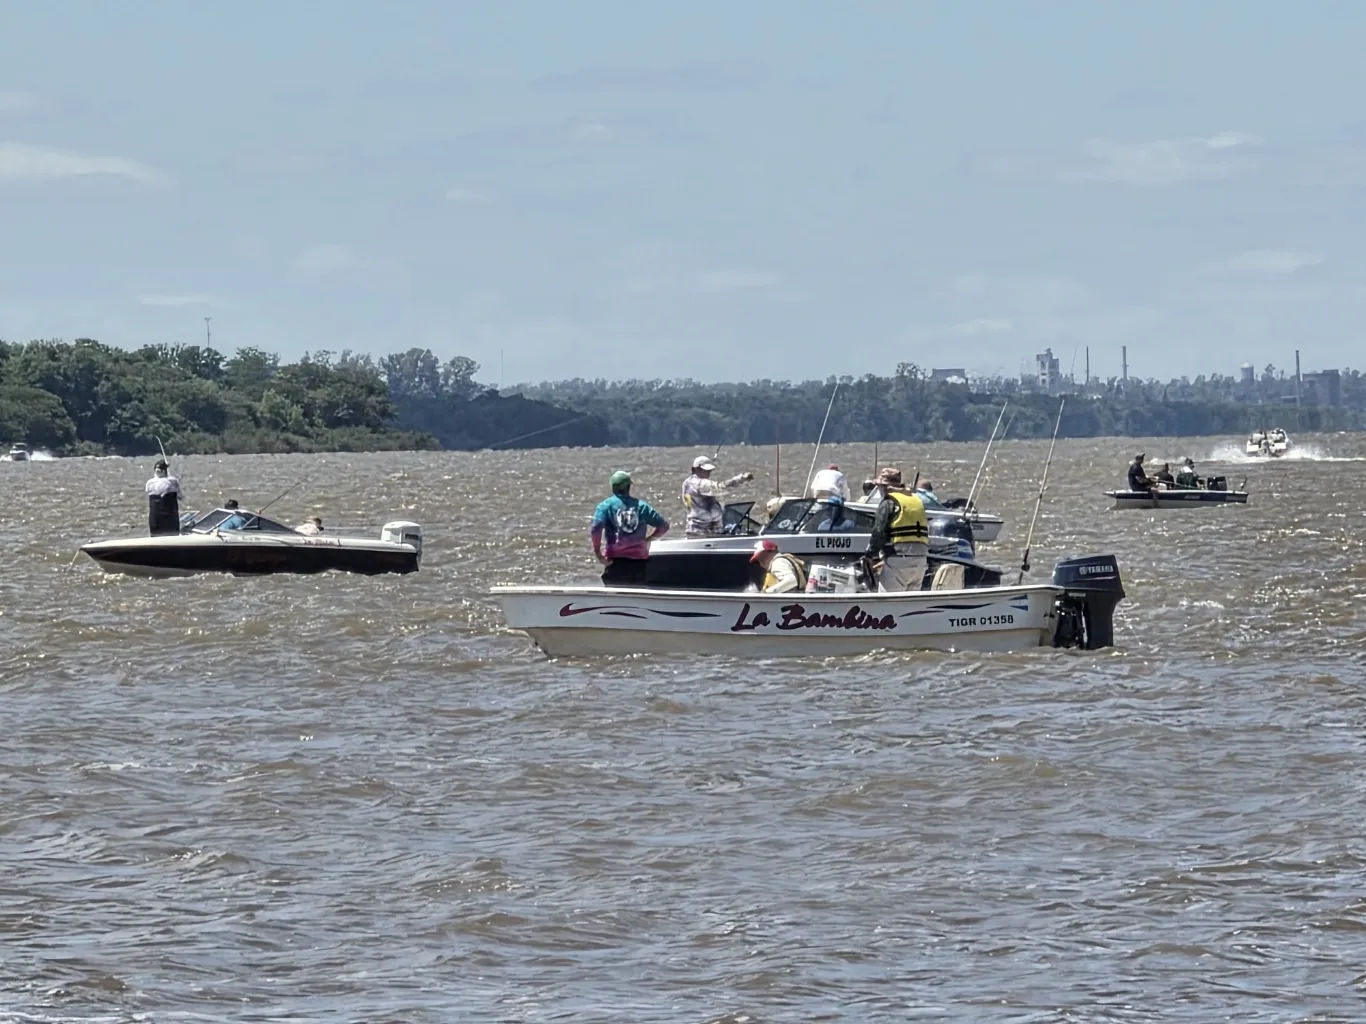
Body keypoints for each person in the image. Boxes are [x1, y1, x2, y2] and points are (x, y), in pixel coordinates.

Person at [592, 470, 669, 586]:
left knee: (615, 599)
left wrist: (598, 552)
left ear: (613, 487)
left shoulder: (605, 506)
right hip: (639, 561)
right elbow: (663, 526)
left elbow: (596, 528)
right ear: (628, 487)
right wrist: (649, 539)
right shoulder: (642, 506)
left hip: (615, 560)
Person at [864, 466, 929, 592]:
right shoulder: (916, 500)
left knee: (888, 604)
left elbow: (879, 532)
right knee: (910, 606)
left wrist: (870, 555)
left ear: (885, 487)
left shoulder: (889, 502)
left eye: (879, 486)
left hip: (899, 562)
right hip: (921, 561)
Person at [681, 455, 754, 537]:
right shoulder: (697, 483)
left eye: (709, 470)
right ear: (695, 469)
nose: (708, 473)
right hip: (701, 530)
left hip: (703, 529)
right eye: (705, 470)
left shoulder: (688, 482)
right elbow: (721, 488)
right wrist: (741, 478)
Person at [145, 458, 182, 536]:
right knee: (172, 536)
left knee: (156, 537)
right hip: (170, 518)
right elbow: (180, 496)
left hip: (155, 518)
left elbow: (148, 491)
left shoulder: (149, 483)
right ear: (164, 471)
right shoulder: (173, 481)